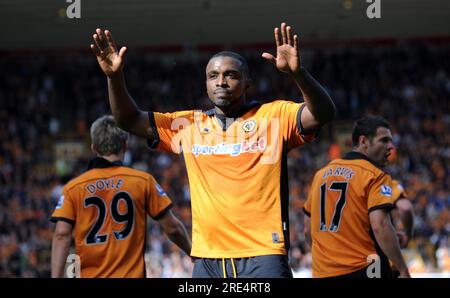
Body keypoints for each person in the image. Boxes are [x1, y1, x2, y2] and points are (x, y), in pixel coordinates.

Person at [90, 22, 336, 278]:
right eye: (213, 76)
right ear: (205, 84)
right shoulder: (188, 125)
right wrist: (114, 78)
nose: (221, 82)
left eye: (231, 75)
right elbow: (128, 120)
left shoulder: (274, 117)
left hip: (263, 255)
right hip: (208, 260)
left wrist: (299, 74)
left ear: (247, 83)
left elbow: (323, 113)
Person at [50, 115, 191, 278]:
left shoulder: (73, 188)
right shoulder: (143, 181)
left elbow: (61, 235)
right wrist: (192, 252)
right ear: (125, 145)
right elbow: (172, 228)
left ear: (93, 148)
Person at [303, 116, 410, 278]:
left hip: (322, 272)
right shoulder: (375, 175)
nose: (391, 147)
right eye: (384, 141)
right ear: (364, 141)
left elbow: (307, 230)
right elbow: (379, 225)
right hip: (365, 270)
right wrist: (402, 268)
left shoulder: (320, 175)